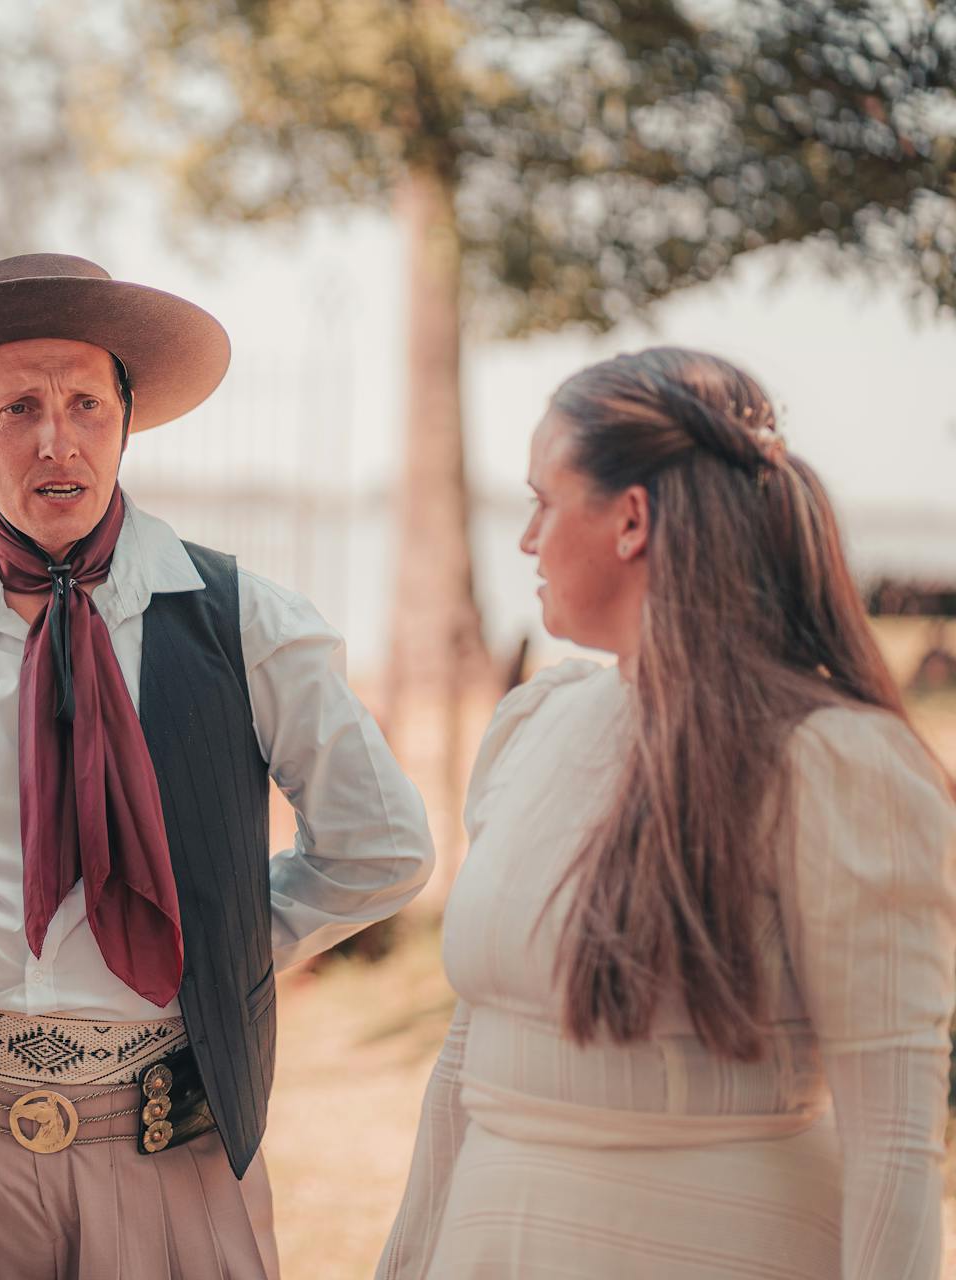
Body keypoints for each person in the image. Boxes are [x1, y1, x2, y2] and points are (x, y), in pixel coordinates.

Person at [0, 253, 436, 1277]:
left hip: (169, 1148)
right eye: (15, 409)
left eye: (87, 401)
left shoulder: (247, 622)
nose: (58, 439)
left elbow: (383, 847)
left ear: (127, 419)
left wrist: (218, 949)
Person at [378, 347, 956, 1278]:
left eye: (543, 501)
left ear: (631, 521)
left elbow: (894, 1142)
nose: (526, 540)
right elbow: (465, 1060)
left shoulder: (835, 764)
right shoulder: (532, 725)